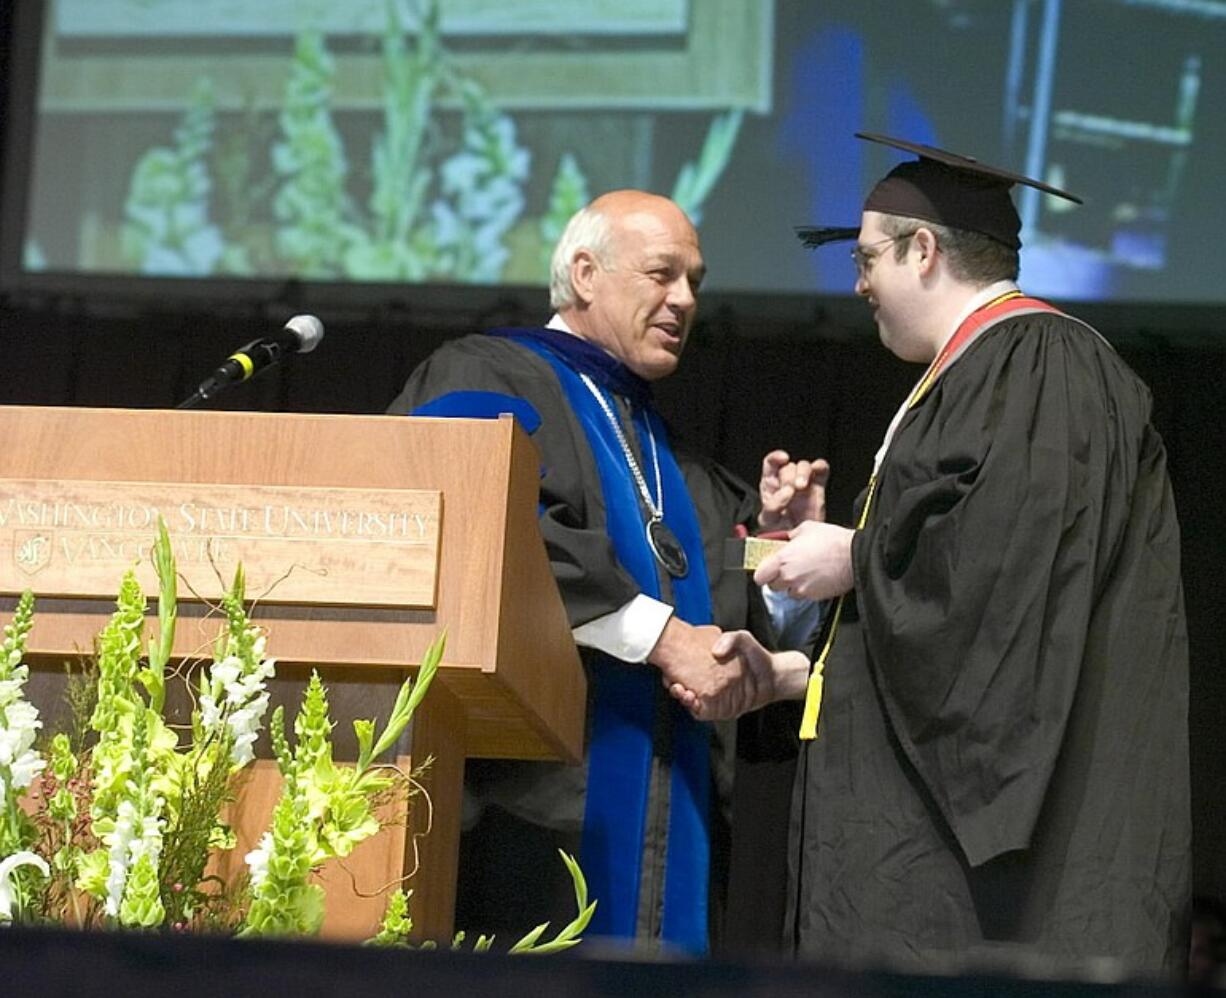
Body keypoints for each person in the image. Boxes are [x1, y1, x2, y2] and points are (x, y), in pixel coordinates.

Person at [678, 134, 1191, 976]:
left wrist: (856, 557)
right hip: (914, 855)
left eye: (868, 257)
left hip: (995, 881)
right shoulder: (974, 374)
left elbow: (1007, 592)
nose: (858, 285)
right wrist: (794, 644)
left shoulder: (1040, 362)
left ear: (924, 251)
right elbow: (933, 624)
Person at [387, 190, 820, 954]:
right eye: (662, 274)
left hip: (672, 821)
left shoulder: (676, 462)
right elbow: (490, 526)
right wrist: (660, 637)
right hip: (526, 817)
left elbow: (722, 625)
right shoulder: (486, 374)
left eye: (695, 281)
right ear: (585, 273)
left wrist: (782, 560)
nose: (684, 300)